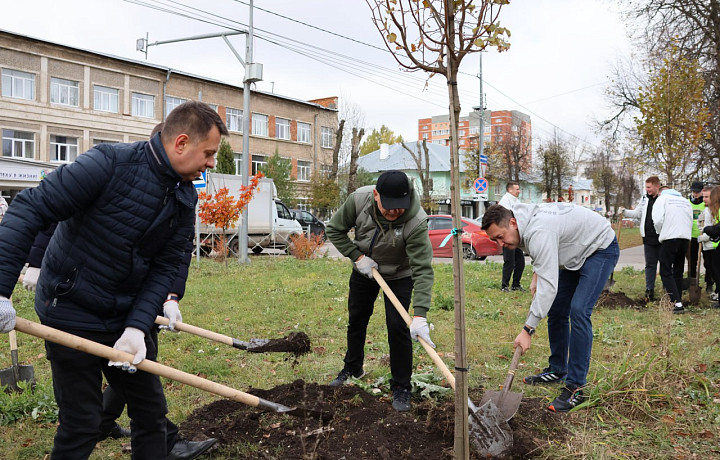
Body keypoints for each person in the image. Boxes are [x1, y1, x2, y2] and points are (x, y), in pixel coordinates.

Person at [0, 101, 227, 459]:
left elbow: (165, 265)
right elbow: (30, 208)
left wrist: (137, 328)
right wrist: (1, 288)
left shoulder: (184, 195)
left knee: (151, 415)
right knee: (82, 424)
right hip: (70, 309)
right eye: (209, 153)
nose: (212, 163)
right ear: (181, 143)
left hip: (124, 312)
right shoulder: (108, 163)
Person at [482, 203, 619, 412]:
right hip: (574, 252)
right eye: (495, 240)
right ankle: (557, 369)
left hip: (599, 248)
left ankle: (576, 387)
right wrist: (537, 274)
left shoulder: (539, 229)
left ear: (512, 222)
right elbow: (545, 252)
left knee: (579, 310)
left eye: (501, 237)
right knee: (557, 310)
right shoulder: (525, 221)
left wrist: (527, 329)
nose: (501, 244)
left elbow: (549, 286)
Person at [325, 170, 435, 412]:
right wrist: (357, 256)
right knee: (357, 320)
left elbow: (423, 269)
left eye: (400, 207)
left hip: (399, 275)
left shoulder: (416, 222)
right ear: (376, 195)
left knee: (398, 327)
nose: (395, 212)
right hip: (365, 269)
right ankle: (353, 367)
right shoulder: (358, 200)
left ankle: (401, 386)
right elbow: (334, 230)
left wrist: (420, 314)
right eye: (389, 207)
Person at [619, 176, 662, 302]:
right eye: (646, 187)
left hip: (662, 237)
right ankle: (649, 290)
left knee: (665, 265)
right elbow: (638, 214)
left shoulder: (663, 199)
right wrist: (625, 212)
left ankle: (668, 290)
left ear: (656, 186)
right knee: (650, 265)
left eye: (649, 187)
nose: (647, 190)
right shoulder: (644, 199)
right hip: (648, 237)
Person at [652, 185, 692, 314]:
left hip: (670, 238)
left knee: (665, 270)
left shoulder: (662, 199)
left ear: (660, 192)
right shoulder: (685, 201)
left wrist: (660, 232)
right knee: (678, 270)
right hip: (685, 238)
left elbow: (657, 220)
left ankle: (677, 304)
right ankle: (677, 298)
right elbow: (690, 220)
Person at [497, 181, 525, 292]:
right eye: (517, 189)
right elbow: (509, 216)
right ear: (510, 190)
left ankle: (516, 284)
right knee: (509, 260)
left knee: (520, 261)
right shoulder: (505, 201)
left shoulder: (516, 200)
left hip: (515, 235)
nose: (519, 191)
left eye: (519, 189)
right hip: (507, 236)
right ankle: (504, 286)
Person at [698, 185, 718, 303]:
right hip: (706, 247)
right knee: (709, 268)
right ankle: (714, 289)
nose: (704, 199)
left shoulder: (714, 211)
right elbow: (703, 226)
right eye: (703, 196)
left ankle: (717, 291)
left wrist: (702, 238)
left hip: (713, 245)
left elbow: (712, 230)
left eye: (707, 197)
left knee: (715, 270)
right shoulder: (705, 210)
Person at [687, 182, 706, 286]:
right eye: (693, 191)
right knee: (692, 261)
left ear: (702, 191)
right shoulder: (687, 202)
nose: (695, 194)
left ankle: (709, 283)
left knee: (708, 262)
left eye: (697, 192)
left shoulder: (705, 203)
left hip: (704, 236)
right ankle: (692, 282)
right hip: (691, 237)